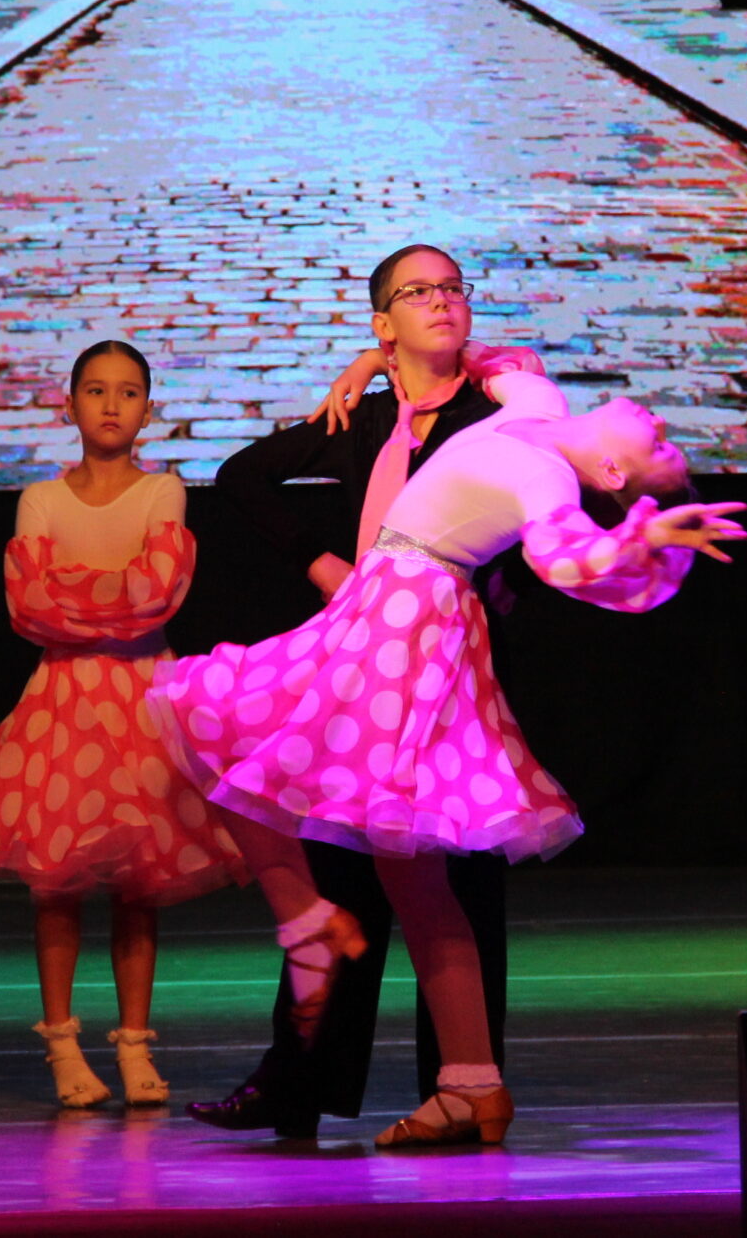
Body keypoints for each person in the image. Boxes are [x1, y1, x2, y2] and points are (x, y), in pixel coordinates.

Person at [152, 368, 745, 1146]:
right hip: (386, 607)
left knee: (214, 710)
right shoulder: (540, 404)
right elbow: (497, 365)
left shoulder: (547, 478)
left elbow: (564, 559)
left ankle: (312, 923)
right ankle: (472, 1082)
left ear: (610, 472)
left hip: (408, 624)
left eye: (660, 447)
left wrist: (641, 538)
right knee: (412, 879)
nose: (661, 424)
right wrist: (373, 363)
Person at [187, 245, 537, 1139]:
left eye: (453, 288)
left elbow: (538, 471)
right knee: (341, 871)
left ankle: (460, 1082)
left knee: (461, 876)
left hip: (453, 672)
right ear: (384, 322)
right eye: (419, 292)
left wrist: (500, 581)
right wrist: (324, 565)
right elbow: (241, 476)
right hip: (364, 677)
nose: (442, 301)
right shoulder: (366, 418)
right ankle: (298, 1081)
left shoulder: (494, 409)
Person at [0, 341, 246, 1107]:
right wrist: (110, 594)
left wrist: (80, 594)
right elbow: (30, 605)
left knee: (140, 879)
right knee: (57, 880)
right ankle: (63, 1043)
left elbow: (156, 592)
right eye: (96, 390)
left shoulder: (163, 491)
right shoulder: (41, 500)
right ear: (69, 403)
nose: (111, 404)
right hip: (64, 704)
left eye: (128, 392)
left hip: (144, 699)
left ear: (148, 408)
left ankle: (134, 1042)